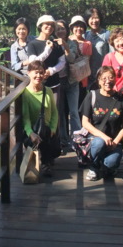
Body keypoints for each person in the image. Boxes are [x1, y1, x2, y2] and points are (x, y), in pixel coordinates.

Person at [80, 66, 123, 181]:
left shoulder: (122, 99)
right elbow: (85, 123)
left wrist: (115, 142)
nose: (108, 81)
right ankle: (94, 166)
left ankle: (105, 165)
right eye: (104, 78)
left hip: (114, 142)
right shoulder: (92, 96)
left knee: (111, 164)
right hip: (95, 139)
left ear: (115, 79)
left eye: (111, 77)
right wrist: (103, 137)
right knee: (99, 143)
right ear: (98, 80)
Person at [22, 61, 59, 177]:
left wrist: (53, 128)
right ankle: (44, 163)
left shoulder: (48, 91)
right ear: (29, 73)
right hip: (33, 129)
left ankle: (46, 163)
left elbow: (54, 112)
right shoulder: (25, 93)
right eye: (36, 73)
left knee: (47, 134)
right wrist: (30, 133)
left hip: (46, 129)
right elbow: (25, 118)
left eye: (41, 73)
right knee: (37, 138)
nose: (39, 76)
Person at [54, 19, 81, 150]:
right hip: (57, 83)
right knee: (59, 112)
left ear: (67, 30)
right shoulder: (51, 43)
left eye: (62, 28)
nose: (60, 31)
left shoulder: (72, 43)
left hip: (72, 81)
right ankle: (63, 139)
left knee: (74, 112)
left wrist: (65, 46)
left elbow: (71, 59)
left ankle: (78, 140)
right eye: (57, 29)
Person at [27, 15, 66, 91]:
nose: (50, 26)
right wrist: (47, 50)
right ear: (40, 26)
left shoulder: (56, 43)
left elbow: (62, 62)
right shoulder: (32, 44)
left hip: (54, 84)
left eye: (52, 25)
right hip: (37, 85)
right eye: (47, 24)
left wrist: (51, 71)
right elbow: (33, 63)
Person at [84, 7, 113, 89]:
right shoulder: (85, 35)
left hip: (103, 76)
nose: (94, 21)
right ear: (87, 20)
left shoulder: (107, 34)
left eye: (96, 18)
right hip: (88, 77)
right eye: (91, 18)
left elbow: (112, 55)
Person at [69, 15, 92, 110]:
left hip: (81, 78)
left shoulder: (87, 43)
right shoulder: (67, 40)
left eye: (81, 26)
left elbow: (86, 61)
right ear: (71, 28)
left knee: (80, 104)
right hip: (68, 78)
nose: (79, 29)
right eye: (76, 26)